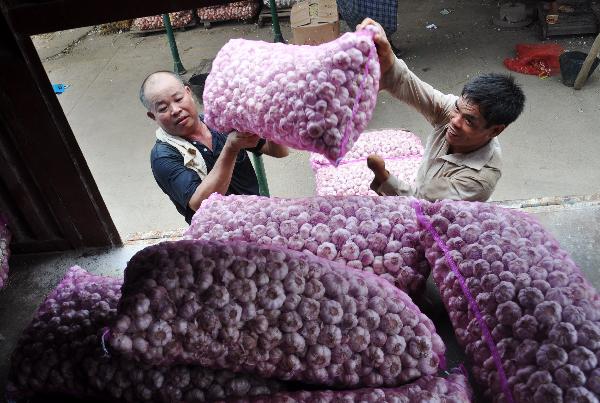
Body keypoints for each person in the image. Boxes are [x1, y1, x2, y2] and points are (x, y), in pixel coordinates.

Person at [358, 18, 525, 202]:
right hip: (424, 188)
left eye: (468, 121)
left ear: (495, 130)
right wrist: (386, 54)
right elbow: (410, 86)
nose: (454, 121)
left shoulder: (478, 179)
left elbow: (422, 204)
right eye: (457, 109)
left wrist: (383, 176)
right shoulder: (455, 111)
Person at [141, 71, 289, 223]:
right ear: (153, 116)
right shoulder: (164, 156)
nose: (175, 110)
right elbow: (200, 203)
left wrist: (271, 120)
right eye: (163, 108)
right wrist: (231, 148)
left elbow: (279, 151)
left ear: (188, 92)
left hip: (259, 217)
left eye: (178, 99)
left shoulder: (219, 121)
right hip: (218, 235)